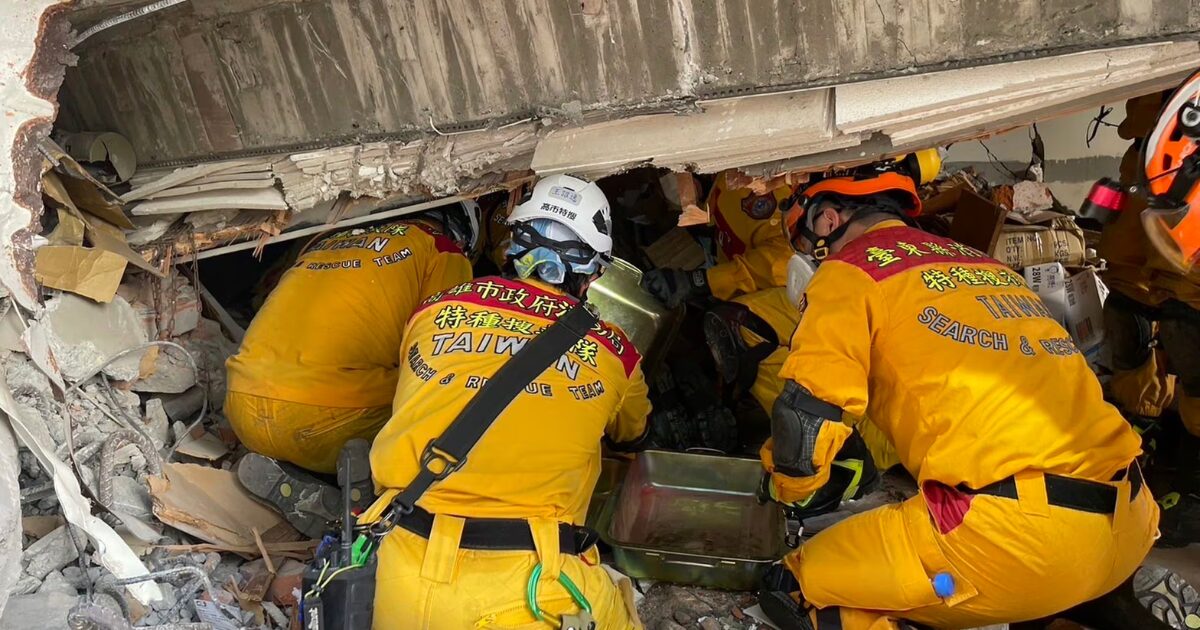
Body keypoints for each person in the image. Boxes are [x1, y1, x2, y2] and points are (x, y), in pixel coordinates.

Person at [758, 163, 1158, 629]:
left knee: (794, 588)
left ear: (827, 221)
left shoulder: (849, 271)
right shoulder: (987, 268)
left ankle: (938, 609)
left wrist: (792, 493)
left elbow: (805, 419)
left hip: (1016, 547)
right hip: (1128, 523)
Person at [362, 174, 649, 629]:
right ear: (595, 271)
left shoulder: (433, 309)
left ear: (511, 247)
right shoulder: (614, 350)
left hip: (392, 568)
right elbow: (633, 434)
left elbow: (418, 390)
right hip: (529, 586)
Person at [226, 203, 478, 536]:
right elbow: (444, 348)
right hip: (333, 423)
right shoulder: (443, 250)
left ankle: (317, 481)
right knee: (444, 402)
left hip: (242, 407)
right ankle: (363, 503)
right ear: (462, 232)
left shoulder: (324, 242)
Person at [1099, 92, 1200, 547]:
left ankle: (1194, 480)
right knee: (1127, 312)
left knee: (1188, 328)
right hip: (1152, 150)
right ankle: (1141, 433)